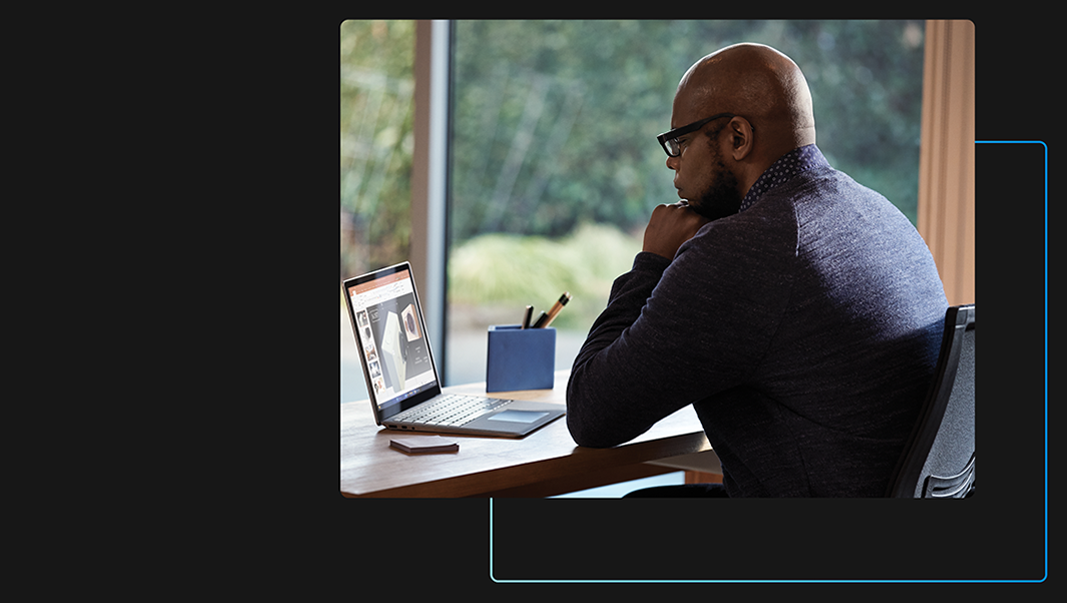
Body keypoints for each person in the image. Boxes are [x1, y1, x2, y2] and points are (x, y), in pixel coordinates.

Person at [565, 43, 949, 497]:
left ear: (737, 138)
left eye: (681, 142)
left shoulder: (749, 247)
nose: (672, 161)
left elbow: (592, 413)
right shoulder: (878, 213)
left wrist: (651, 263)